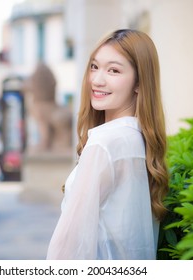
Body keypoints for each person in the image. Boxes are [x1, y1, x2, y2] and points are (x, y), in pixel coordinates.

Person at [46, 29, 169, 260]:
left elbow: (69, 244)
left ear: (139, 82)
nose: (97, 80)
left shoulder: (105, 143)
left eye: (113, 70)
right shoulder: (137, 139)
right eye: (94, 66)